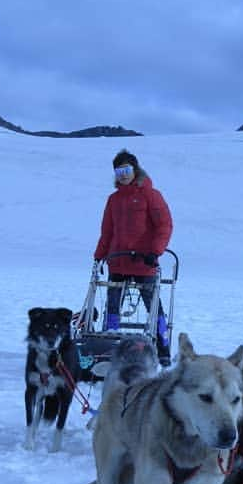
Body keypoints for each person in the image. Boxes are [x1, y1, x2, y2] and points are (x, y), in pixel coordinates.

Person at [93, 149, 173, 360]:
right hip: (117, 261)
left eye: (127, 169)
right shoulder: (113, 200)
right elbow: (107, 231)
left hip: (144, 262)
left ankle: (163, 348)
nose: (123, 175)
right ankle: (110, 344)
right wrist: (99, 255)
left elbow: (164, 225)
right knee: (112, 304)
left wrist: (155, 251)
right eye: (119, 171)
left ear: (136, 170)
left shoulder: (151, 196)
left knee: (153, 306)